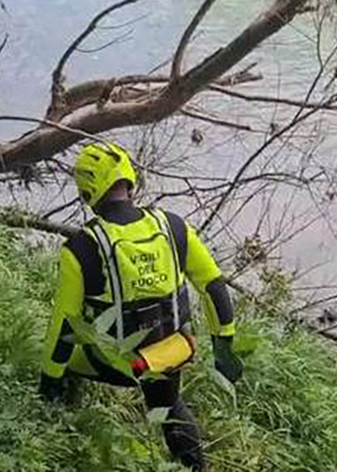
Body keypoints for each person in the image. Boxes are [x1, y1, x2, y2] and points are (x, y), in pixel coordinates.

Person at [39, 142, 243, 471]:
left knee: (66, 364)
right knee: (168, 404)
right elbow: (214, 287)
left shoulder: (81, 248)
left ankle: (60, 426)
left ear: (88, 190)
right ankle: (196, 468)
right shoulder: (173, 226)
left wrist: (49, 379)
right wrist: (224, 347)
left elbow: (65, 325)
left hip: (118, 362)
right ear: (129, 180)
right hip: (173, 350)